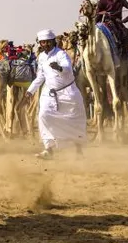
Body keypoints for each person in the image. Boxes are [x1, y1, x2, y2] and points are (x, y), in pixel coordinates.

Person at [23, 30, 86, 159]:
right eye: (42, 42)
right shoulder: (41, 57)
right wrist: (30, 91)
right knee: (43, 115)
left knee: (73, 121)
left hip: (68, 93)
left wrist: (59, 68)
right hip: (49, 94)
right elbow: (40, 76)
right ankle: (48, 149)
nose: (45, 44)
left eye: (47, 42)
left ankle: (78, 149)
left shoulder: (61, 54)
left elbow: (68, 69)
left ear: (53, 42)